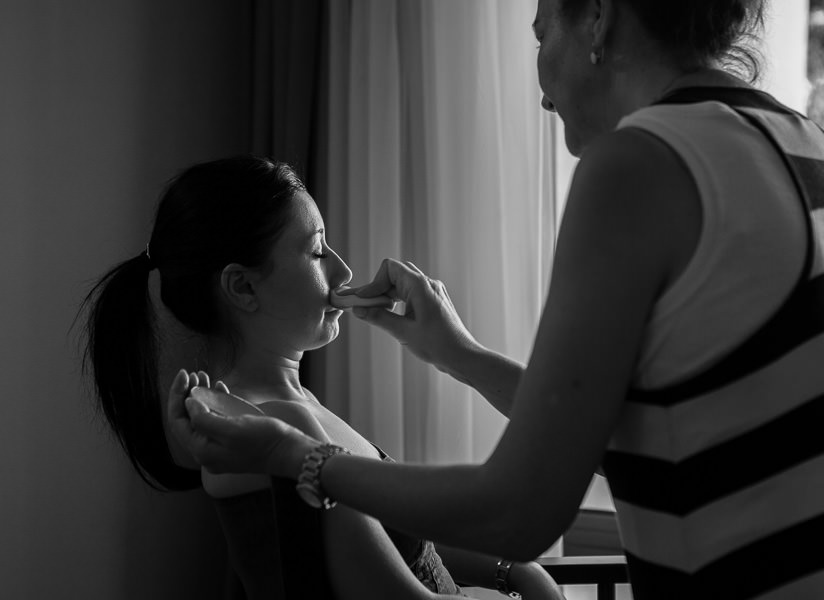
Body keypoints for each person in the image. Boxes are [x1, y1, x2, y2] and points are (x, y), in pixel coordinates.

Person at [169, 0, 824, 598]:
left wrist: (300, 458)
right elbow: (675, 446)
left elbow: (519, 512)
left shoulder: (642, 162)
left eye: (541, 31)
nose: (542, 90)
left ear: (600, 21)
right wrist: (458, 355)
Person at [80, 155, 563, 599]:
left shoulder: (296, 404)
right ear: (243, 286)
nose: (344, 268)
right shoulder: (276, 424)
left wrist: (514, 571)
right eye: (317, 252)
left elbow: (403, 544)